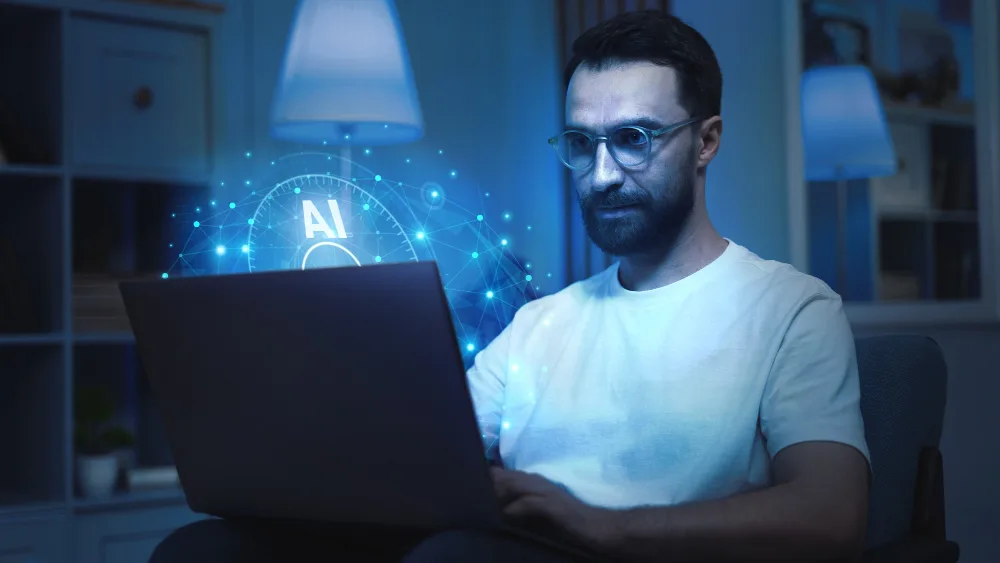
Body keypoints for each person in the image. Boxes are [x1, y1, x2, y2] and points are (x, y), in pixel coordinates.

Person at [152, 9, 870, 563]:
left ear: (707, 140)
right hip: (494, 543)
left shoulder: (792, 309)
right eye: (582, 143)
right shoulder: (541, 322)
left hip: (625, 553)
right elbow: (423, 458)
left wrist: (603, 527)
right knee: (203, 549)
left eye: (634, 138)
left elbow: (831, 512)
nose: (602, 174)